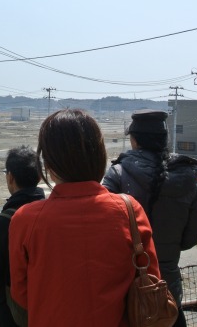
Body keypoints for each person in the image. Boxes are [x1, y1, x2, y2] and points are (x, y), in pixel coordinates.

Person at [9, 109, 160, 326]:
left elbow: (21, 294)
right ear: (99, 156)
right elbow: (152, 279)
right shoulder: (129, 211)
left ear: (48, 165)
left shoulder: (25, 219)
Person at [102, 109, 197, 327]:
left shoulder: (118, 174)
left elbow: (103, 231)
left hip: (127, 291)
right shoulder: (187, 176)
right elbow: (191, 238)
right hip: (167, 291)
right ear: (165, 139)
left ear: (134, 140)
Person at [0, 146, 44, 327]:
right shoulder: (52, 216)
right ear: (39, 177)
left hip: (8, 314)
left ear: (10, 177)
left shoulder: (3, 222)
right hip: (45, 309)